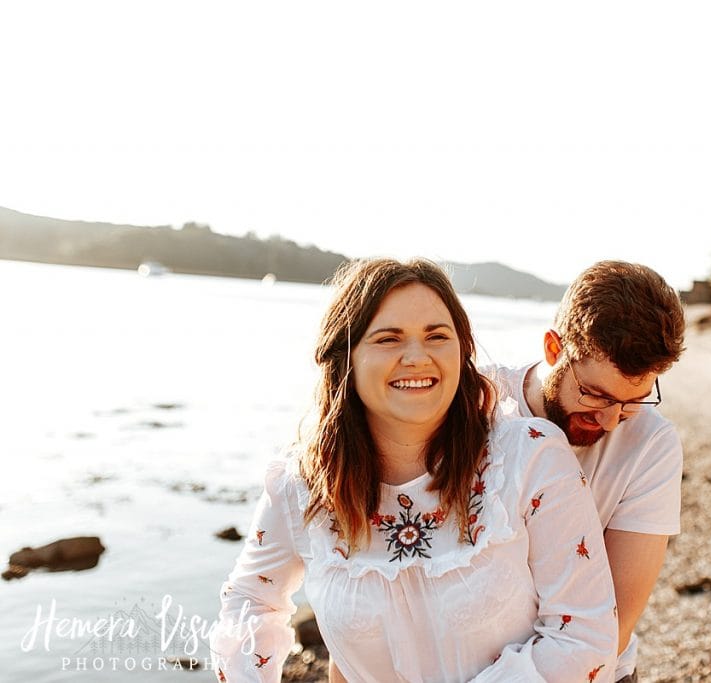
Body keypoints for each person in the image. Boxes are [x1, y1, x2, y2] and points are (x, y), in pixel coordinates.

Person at [210, 258, 618, 682]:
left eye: (437, 336)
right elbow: (250, 602)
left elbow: (585, 638)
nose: (417, 357)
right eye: (389, 339)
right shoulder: (302, 484)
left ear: (462, 351)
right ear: (345, 358)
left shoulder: (528, 457)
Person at [486, 261, 686, 683]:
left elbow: (612, 624)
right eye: (595, 394)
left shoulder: (652, 444)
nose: (612, 421)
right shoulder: (479, 405)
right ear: (554, 349)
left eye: (634, 400)